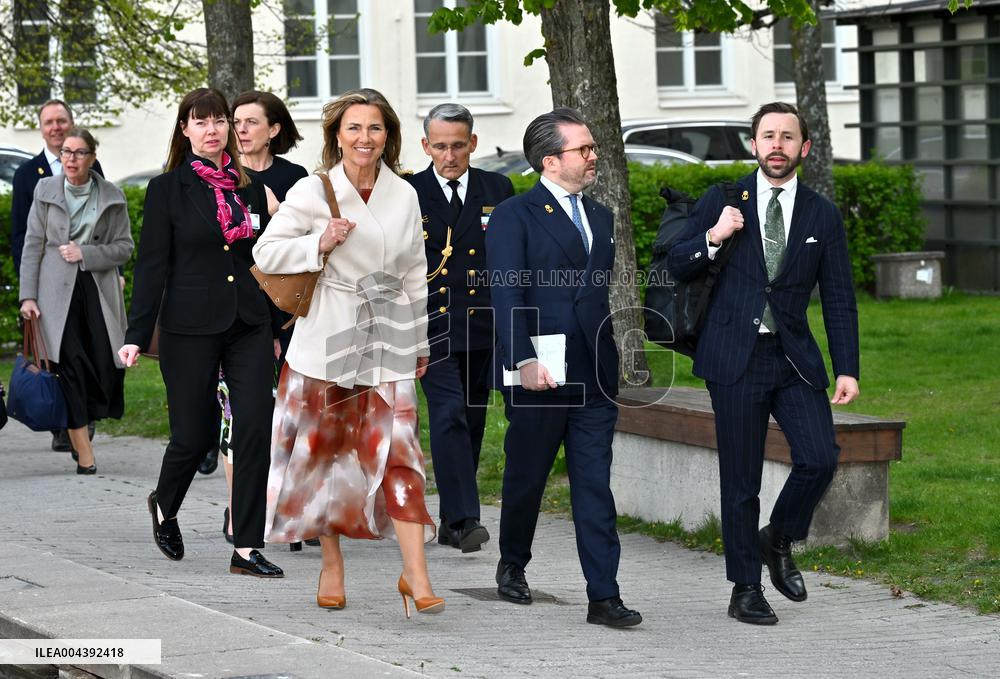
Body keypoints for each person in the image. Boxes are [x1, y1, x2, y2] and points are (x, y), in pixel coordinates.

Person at [666, 101, 860, 625]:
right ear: (754, 145)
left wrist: (848, 367)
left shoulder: (821, 212)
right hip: (733, 358)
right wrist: (713, 236)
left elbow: (839, 295)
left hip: (793, 356)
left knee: (820, 458)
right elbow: (675, 265)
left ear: (805, 148)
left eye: (788, 137)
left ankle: (777, 537)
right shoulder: (724, 200)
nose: (777, 145)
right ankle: (745, 588)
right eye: (768, 136)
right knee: (741, 480)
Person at [254, 87, 443, 617]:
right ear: (337, 135)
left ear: (389, 137)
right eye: (354, 128)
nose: (365, 138)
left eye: (375, 128)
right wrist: (318, 243)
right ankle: (331, 565)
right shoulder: (313, 191)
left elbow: (413, 274)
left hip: (389, 338)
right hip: (327, 342)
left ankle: (416, 576)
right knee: (324, 459)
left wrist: (421, 339)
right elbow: (265, 250)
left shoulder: (403, 195)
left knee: (401, 454)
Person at [117, 87, 283, 579]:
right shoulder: (167, 189)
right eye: (201, 122)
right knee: (194, 435)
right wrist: (136, 332)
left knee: (255, 427)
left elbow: (260, 262)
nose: (212, 130)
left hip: (248, 324)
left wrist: (274, 325)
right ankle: (165, 505)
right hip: (188, 328)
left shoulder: (249, 187)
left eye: (220, 121)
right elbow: (152, 267)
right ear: (185, 131)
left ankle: (247, 547)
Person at [486, 108, 642, 628]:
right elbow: (504, 292)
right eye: (585, 149)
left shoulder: (600, 216)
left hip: (594, 372)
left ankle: (604, 595)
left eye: (593, 148)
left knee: (594, 484)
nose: (594, 156)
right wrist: (522, 358)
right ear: (551, 161)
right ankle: (513, 563)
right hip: (540, 372)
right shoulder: (515, 215)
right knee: (528, 476)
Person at [201, 91, 310, 554]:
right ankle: (236, 508)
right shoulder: (219, 179)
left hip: (290, 315)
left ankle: (290, 508)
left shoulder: (296, 179)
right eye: (235, 121)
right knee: (241, 418)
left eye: (249, 121)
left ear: (274, 129)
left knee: (292, 417)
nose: (239, 129)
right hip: (239, 318)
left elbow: (307, 249)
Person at [405, 103, 514, 553]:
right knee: (447, 415)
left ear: (473, 143)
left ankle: (452, 519)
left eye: (458, 145)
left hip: (484, 325)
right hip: (432, 325)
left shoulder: (498, 187)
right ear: (426, 145)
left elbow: (509, 254)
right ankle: (467, 519)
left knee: (471, 420)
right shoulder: (409, 191)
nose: (449, 156)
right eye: (440, 146)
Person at [18, 127, 132, 474]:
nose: (70, 159)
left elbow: (124, 248)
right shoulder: (46, 190)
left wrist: (87, 253)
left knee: (101, 369)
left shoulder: (112, 195)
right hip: (55, 295)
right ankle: (85, 454)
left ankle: (79, 429)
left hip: (96, 292)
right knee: (71, 370)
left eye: (79, 152)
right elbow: (33, 244)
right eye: (66, 152)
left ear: (92, 158)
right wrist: (28, 296)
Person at [11, 99, 104, 454]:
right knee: (54, 359)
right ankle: (61, 420)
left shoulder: (96, 169)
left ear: (71, 123)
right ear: (41, 128)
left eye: (61, 120)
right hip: (46, 286)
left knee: (85, 355)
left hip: (85, 282)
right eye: (48, 122)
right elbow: (23, 237)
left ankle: (82, 418)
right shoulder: (26, 174)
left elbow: (105, 228)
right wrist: (31, 287)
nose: (55, 127)